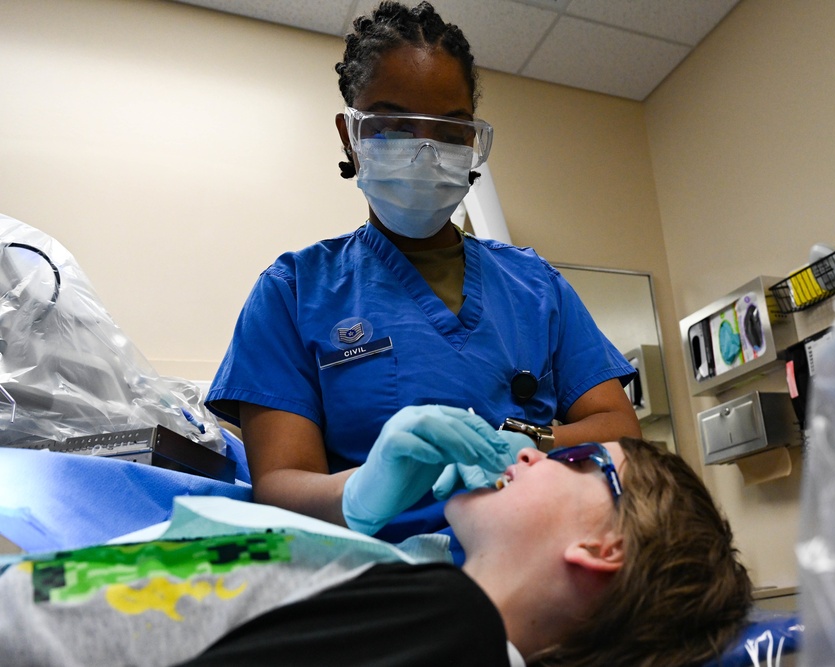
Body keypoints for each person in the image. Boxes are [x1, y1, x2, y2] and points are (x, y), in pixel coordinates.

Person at [205, 0, 641, 543]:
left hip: (540, 563)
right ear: (350, 136)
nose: (424, 151)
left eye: (450, 131)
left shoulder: (536, 285)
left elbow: (621, 430)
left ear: (472, 143)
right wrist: (364, 491)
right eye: (392, 126)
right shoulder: (293, 292)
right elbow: (280, 485)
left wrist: (532, 440)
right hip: (384, 585)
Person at [0, 434, 753, 666]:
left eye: (579, 455)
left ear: (601, 545)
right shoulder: (420, 588)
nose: (531, 451)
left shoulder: (452, 624)